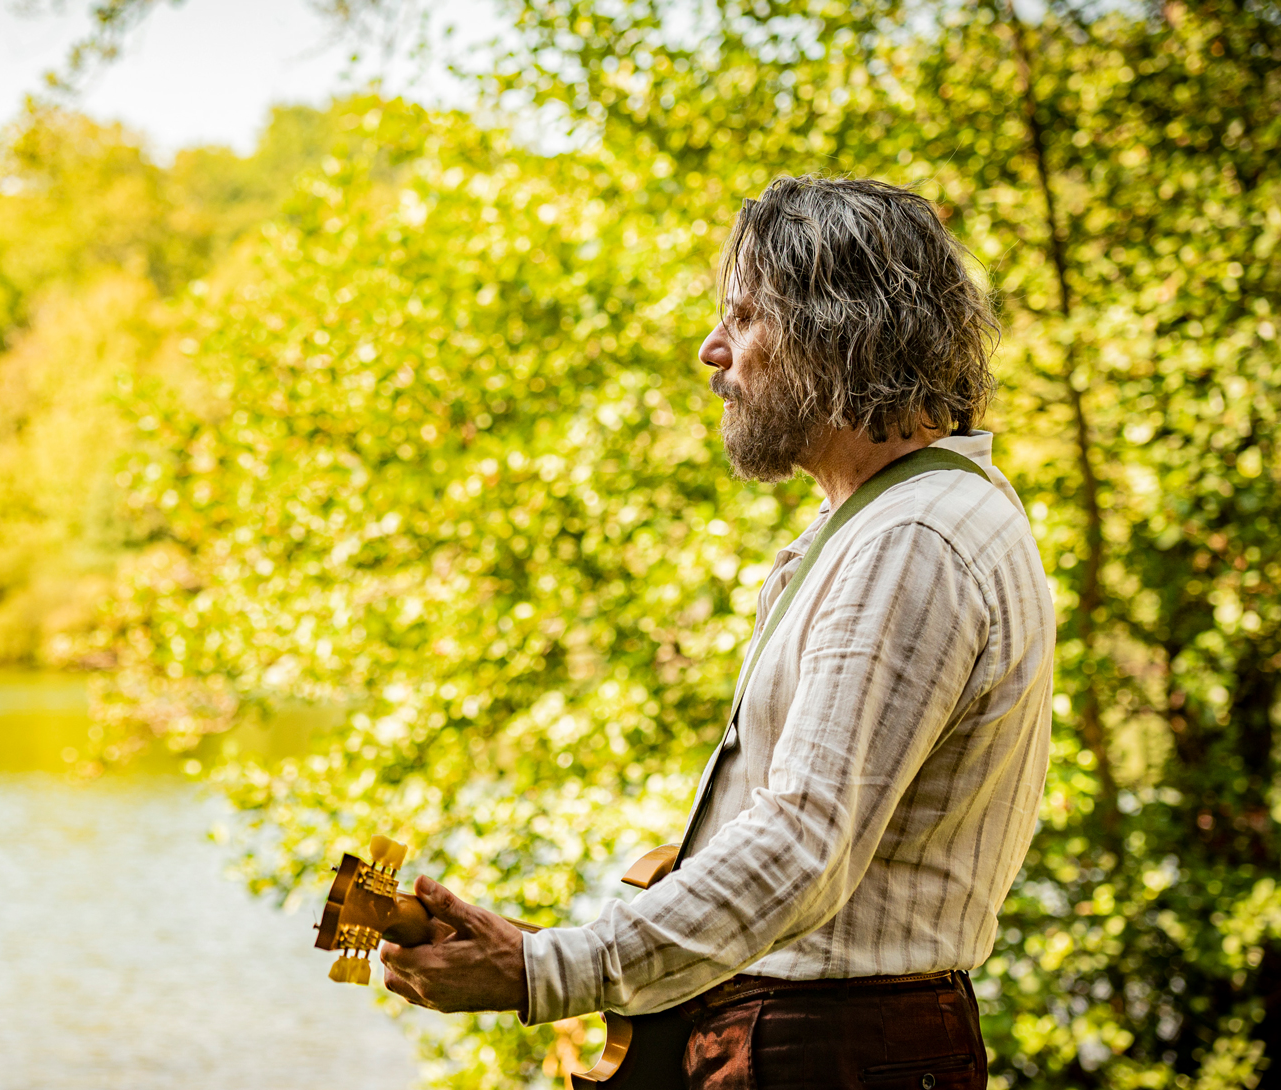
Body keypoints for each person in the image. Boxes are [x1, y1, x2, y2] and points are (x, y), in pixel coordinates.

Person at [379, 175, 1054, 1090]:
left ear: (837, 331)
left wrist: (549, 972)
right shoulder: (901, 524)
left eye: (744, 317)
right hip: (828, 1041)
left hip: (830, 1056)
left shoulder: (911, 542)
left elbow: (801, 848)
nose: (712, 351)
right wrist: (550, 948)